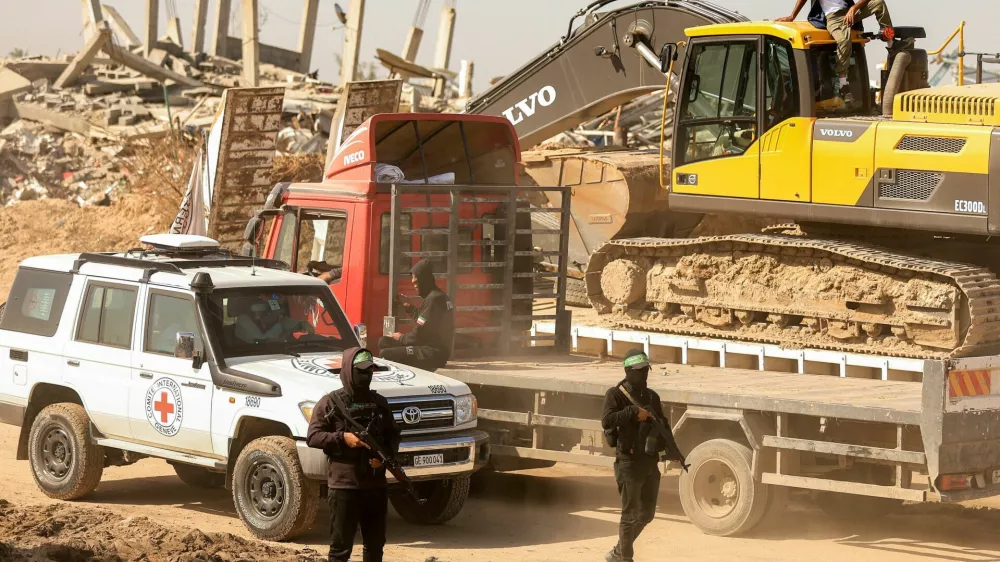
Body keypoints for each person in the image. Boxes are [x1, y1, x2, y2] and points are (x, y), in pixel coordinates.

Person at [307, 347, 401, 562]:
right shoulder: (330, 402)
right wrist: (343, 439)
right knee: (340, 549)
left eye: (370, 371)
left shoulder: (379, 403)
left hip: (376, 486)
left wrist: (384, 457)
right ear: (349, 370)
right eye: (361, 370)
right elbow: (313, 436)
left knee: (375, 546)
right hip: (344, 486)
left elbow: (393, 436)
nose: (366, 376)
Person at [602, 349, 674, 562]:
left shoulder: (652, 396)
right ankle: (625, 558)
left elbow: (664, 426)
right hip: (629, 462)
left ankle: (618, 552)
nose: (644, 374)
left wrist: (673, 451)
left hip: (650, 463)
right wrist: (634, 412)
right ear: (628, 371)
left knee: (646, 515)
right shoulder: (615, 394)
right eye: (639, 371)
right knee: (629, 516)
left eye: (646, 370)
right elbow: (607, 421)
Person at [777, 0, 893, 107]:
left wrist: (854, 7)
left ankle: (891, 43)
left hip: (849, 12)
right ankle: (843, 84)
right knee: (843, 40)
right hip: (834, 18)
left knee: (878, 3)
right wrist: (792, 16)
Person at [378, 259, 455, 371]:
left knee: (386, 353)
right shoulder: (436, 296)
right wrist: (407, 305)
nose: (413, 283)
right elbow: (424, 320)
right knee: (384, 341)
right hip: (427, 347)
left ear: (424, 280)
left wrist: (401, 338)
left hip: (433, 353)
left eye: (416, 279)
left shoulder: (434, 299)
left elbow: (419, 334)